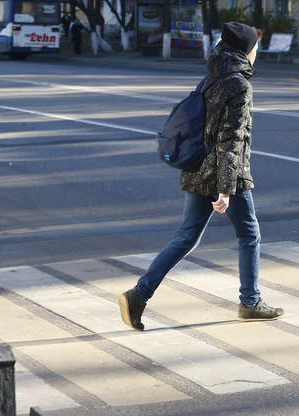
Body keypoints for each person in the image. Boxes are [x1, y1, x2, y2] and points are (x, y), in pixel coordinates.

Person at [119, 22, 284, 331]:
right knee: (249, 235)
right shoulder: (239, 86)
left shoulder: (211, 78)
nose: (257, 52)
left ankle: (138, 295)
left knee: (186, 237)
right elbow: (231, 140)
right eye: (256, 47)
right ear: (246, 51)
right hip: (225, 175)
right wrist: (225, 189)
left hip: (196, 169)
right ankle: (250, 303)